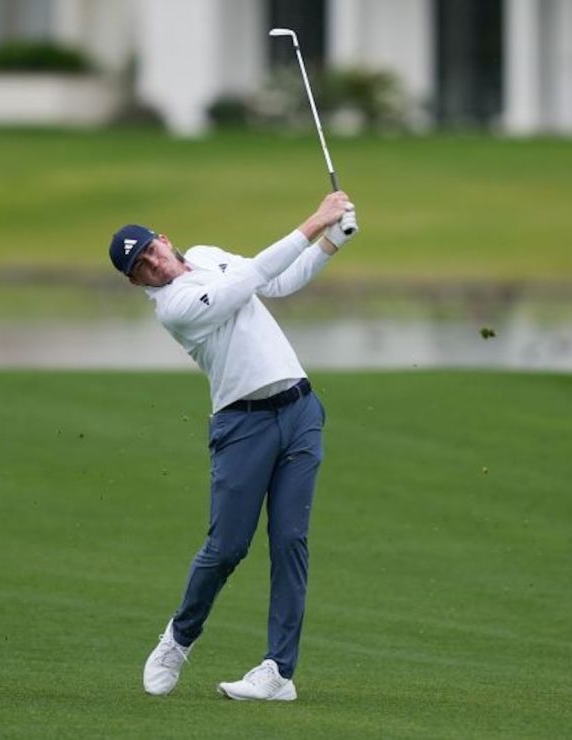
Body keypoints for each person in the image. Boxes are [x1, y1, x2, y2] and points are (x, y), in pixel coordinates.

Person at [108, 191, 358, 701]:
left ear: (164, 239)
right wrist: (315, 219)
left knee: (291, 542)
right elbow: (245, 283)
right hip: (243, 425)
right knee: (227, 548)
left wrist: (331, 241)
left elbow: (278, 280)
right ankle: (179, 638)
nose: (155, 262)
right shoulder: (173, 308)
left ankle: (278, 672)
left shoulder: (205, 255)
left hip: (300, 411)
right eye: (142, 266)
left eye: (152, 249)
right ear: (137, 282)